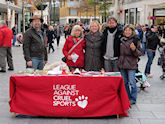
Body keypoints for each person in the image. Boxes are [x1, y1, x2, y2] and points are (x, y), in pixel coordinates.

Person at [118, 24, 142, 104]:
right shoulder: (121, 40)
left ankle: (133, 98)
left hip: (131, 64)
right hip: (122, 63)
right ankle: (127, 97)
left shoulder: (135, 40)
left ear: (132, 31)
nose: (127, 32)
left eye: (129, 30)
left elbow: (140, 53)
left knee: (132, 82)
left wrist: (134, 49)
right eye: (126, 30)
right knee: (124, 83)